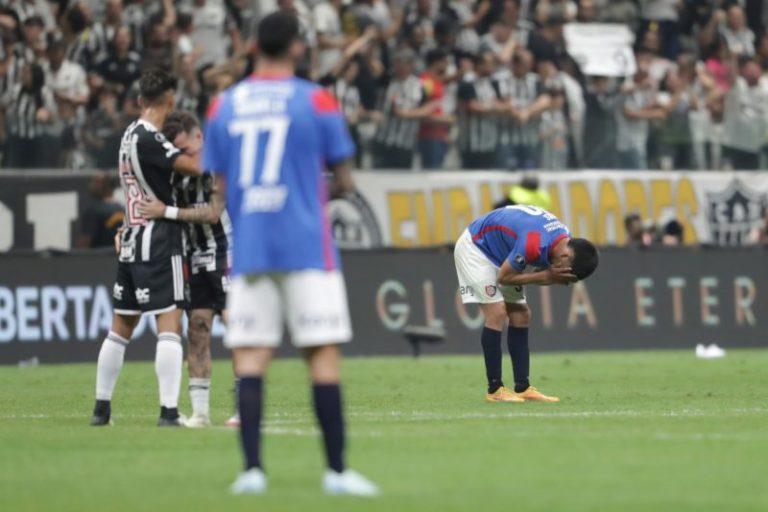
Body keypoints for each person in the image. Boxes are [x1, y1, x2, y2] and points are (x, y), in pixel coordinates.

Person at [202, 11, 378, 495]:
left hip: (252, 247)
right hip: (306, 246)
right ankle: (337, 473)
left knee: (252, 358)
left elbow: (218, 186)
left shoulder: (224, 105)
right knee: (321, 357)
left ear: (253, 45)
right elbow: (343, 181)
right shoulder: (317, 100)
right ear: (299, 48)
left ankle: (252, 472)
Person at [89, 68, 202, 428]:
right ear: (169, 100)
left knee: (120, 325)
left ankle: (101, 410)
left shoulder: (127, 136)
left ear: (140, 100)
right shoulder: (152, 140)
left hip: (131, 238)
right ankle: (169, 411)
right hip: (157, 240)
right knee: (170, 324)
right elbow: (194, 167)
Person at [135, 110, 238, 428]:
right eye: (178, 151)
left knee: (236, 329)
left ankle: (243, 408)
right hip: (192, 257)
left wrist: (166, 210)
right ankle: (201, 413)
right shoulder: (174, 172)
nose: (186, 157)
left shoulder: (218, 167)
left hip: (225, 254)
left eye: (189, 149)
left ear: (200, 138)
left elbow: (212, 213)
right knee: (197, 331)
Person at [454, 205, 599, 403]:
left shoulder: (565, 240)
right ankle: (495, 390)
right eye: (567, 271)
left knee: (521, 314)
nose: (563, 274)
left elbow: (536, 273)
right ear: (565, 257)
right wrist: (548, 275)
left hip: (501, 253)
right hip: (475, 247)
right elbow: (504, 277)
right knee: (497, 312)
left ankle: (523, 388)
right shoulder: (533, 242)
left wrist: (549, 276)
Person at [76, 171, 124, 249]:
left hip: (99, 259)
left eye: (95, 183)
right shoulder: (123, 209)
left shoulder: (94, 212)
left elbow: (83, 244)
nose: (91, 186)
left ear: (105, 186)